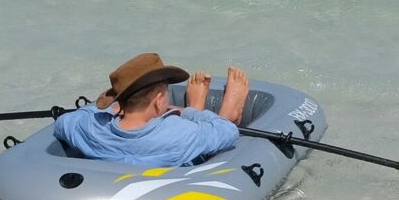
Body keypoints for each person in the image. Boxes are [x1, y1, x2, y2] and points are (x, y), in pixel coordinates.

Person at [51, 52, 250, 165]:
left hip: (123, 173)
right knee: (210, 138)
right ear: (159, 99)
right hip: (170, 167)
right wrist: (185, 111)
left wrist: (106, 108)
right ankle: (222, 112)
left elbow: (63, 123)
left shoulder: (92, 129)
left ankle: (196, 107)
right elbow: (227, 132)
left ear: (120, 102)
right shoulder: (178, 132)